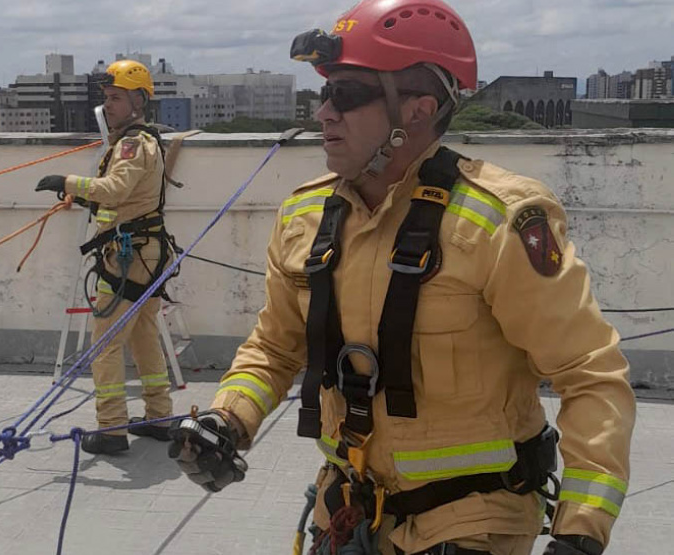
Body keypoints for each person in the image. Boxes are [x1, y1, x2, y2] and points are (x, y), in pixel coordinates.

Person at [169, 2, 635, 554]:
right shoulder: (305, 217)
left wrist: (581, 529)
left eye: (347, 95)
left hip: (472, 525)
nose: (323, 113)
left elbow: (591, 374)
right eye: (324, 94)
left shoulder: (497, 221)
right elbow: (274, 346)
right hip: (349, 512)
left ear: (419, 109)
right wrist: (230, 418)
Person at [36, 60, 177, 455]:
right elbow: (123, 198)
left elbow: (115, 189)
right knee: (145, 337)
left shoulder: (132, 143)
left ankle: (112, 427)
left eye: (116, 98)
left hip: (128, 258)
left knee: (106, 344)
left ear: (138, 100)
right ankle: (159, 416)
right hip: (146, 255)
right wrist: (82, 196)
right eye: (108, 98)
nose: (109, 105)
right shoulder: (141, 141)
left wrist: (65, 181)